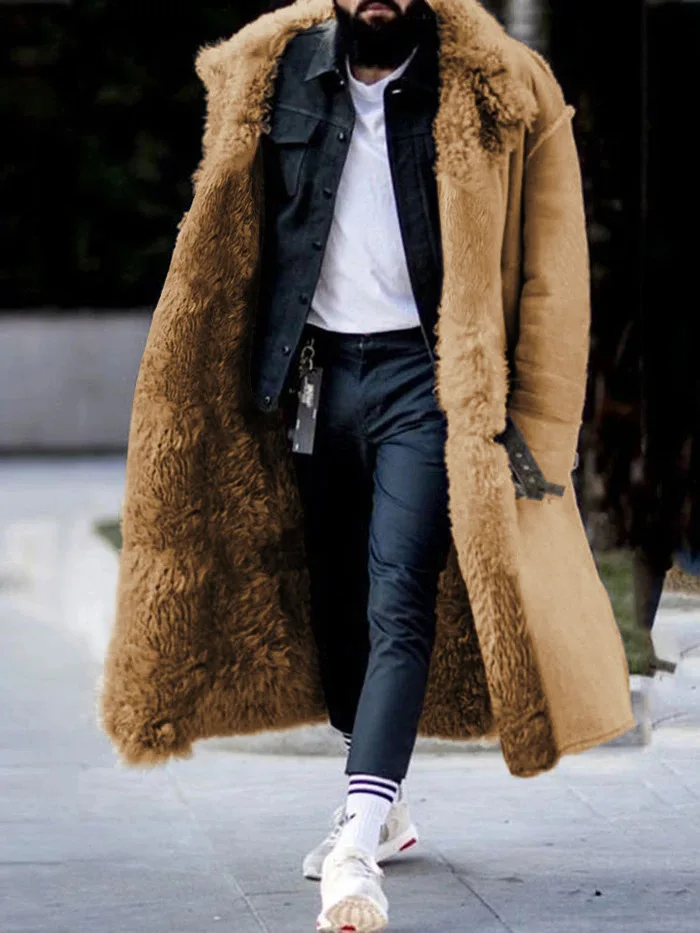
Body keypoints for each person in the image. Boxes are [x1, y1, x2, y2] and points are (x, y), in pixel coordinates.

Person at [99, 2, 636, 931]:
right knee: (336, 600)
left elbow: (555, 277)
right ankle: (384, 807)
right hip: (311, 379)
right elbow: (230, 240)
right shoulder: (274, 74)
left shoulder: (499, 89)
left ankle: (355, 843)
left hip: (428, 384)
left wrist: (542, 436)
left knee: (399, 600)